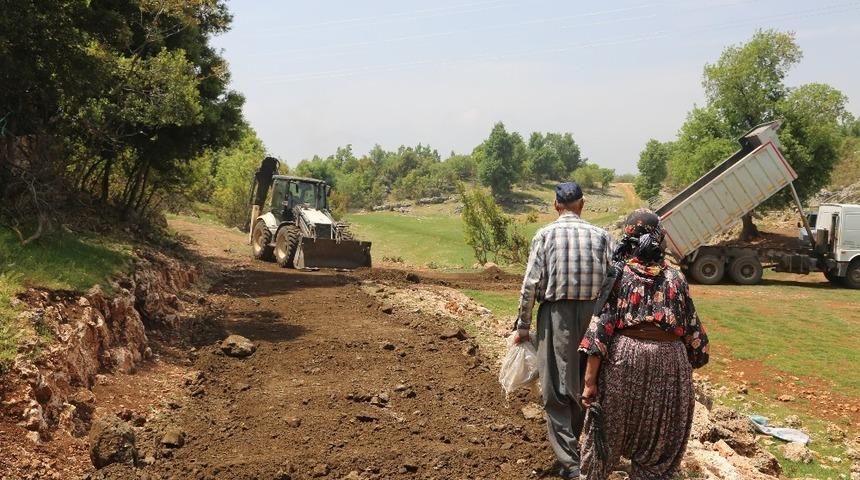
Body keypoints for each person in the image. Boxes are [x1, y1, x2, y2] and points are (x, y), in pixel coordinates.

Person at [578, 209, 710, 480]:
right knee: (658, 447)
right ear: (659, 239)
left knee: (606, 435)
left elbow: (600, 330)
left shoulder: (618, 277)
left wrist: (590, 381)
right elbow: (694, 334)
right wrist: (689, 366)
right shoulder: (676, 279)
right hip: (669, 362)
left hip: (626, 359)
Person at [513, 181, 614, 479]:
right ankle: (581, 453)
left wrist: (522, 325)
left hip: (556, 314)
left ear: (556, 205)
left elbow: (530, 283)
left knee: (557, 387)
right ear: (582, 204)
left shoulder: (544, 235)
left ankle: (570, 464)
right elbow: (611, 279)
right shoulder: (602, 236)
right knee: (588, 381)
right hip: (594, 314)